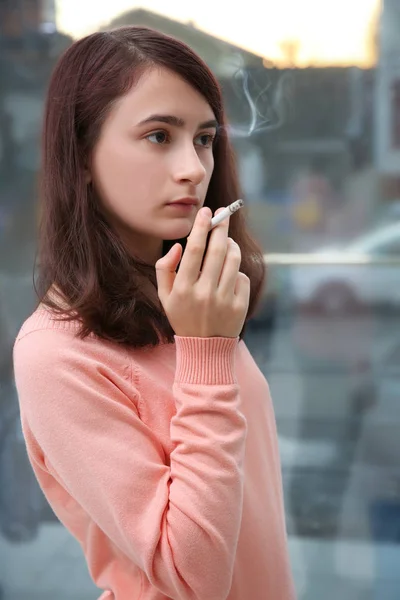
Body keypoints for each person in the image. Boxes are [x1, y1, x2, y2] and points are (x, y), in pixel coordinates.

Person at [13, 26, 295, 600]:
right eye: (159, 135)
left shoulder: (185, 303)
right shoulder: (55, 353)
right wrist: (208, 354)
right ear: (83, 155)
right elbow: (193, 577)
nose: (194, 168)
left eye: (205, 139)